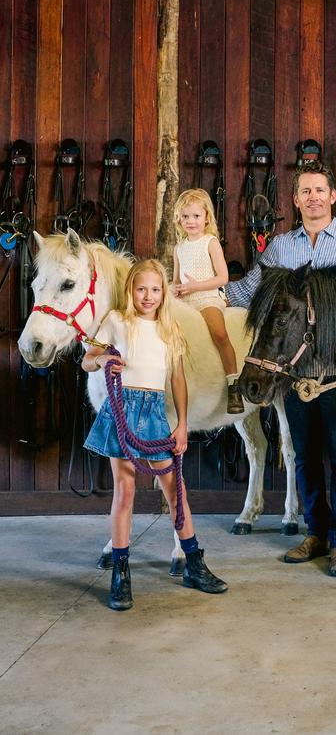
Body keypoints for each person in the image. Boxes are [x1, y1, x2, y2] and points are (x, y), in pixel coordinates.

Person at [225, 160, 336, 578]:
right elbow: (246, 292)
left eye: (319, 190)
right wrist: (202, 290)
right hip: (293, 375)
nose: (312, 198)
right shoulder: (279, 249)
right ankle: (316, 533)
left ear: (332, 196)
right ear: (295, 199)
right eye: (305, 191)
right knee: (304, 457)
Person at [82, 259, 228, 610]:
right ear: (131, 290)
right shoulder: (117, 321)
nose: (148, 296)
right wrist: (101, 361)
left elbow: (177, 379)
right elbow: (87, 359)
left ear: (164, 294)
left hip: (155, 411)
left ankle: (194, 563)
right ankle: (121, 571)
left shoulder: (169, 329)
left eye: (155, 289)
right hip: (123, 408)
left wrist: (180, 425)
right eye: (141, 289)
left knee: (175, 490)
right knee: (126, 491)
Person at [172, 188, 244, 415]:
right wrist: (176, 290)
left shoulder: (210, 242)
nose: (190, 221)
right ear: (179, 219)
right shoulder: (178, 248)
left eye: (195, 216)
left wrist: (195, 287)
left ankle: (234, 383)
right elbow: (175, 279)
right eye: (185, 217)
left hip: (207, 297)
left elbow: (222, 278)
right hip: (186, 302)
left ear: (206, 218)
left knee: (219, 334)